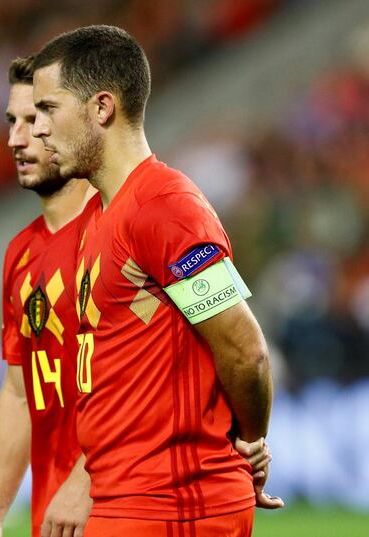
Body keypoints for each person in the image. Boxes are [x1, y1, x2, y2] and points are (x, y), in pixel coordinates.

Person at [30, 26, 282, 536]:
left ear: (102, 108)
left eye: (49, 109)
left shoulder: (164, 208)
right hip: (125, 497)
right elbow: (118, 375)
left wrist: (251, 440)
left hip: (176, 506)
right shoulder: (103, 215)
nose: (37, 128)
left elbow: (244, 349)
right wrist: (86, 477)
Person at [0, 56, 100, 537]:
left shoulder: (121, 231)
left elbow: (169, 376)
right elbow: (19, 391)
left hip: (124, 503)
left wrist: (87, 478)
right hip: (53, 515)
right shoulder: (21, 254)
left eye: (33, 120)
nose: (15, 139)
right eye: (11, 121)